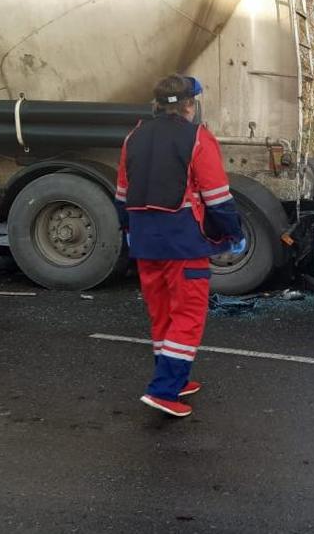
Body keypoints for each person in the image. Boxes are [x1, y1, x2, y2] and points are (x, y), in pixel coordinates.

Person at [115, 74, 244, 418]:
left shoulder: (134, 137)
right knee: (187, 315)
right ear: (191, 105)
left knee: (163, 313)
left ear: (157, 105)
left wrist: (128, 229)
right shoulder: (197, 138)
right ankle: (164, 390)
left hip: (145, 243)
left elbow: (122, 193)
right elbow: (217, 196)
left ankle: (174, 377)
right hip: (183, 243)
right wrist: (233, 233)